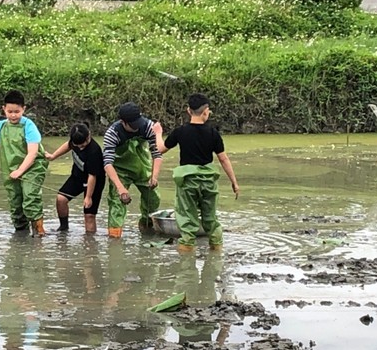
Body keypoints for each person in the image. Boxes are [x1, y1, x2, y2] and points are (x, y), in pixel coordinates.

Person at [152, 93, 239, 251]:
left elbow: (160, 149)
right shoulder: (213, 133)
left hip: (187, 182)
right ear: (206, 112)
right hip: (208, 183)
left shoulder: (180, 132)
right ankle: (216, 253)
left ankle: (187, 267)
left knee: (186, 220)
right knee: (211, 219)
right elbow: (224, 159)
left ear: (188, 111)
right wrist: (234, 182)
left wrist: (157, 132)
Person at [0, 90, 48, 236]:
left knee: (30, 198)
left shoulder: (29, 126)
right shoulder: (1, 126)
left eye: (17, 111)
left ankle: (39, 234)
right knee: (15, 204)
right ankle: (21, 237)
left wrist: (20, 171)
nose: (13, 115)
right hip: (10, 169)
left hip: (32, 168)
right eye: (10, 111)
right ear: (4, 109)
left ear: (24, 109)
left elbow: (33, 153)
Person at [103, 102, 162, 238]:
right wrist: (120, 188)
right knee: (117, 203)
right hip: (120, 171)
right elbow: (107, 164)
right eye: (133, 125)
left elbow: (157, 153)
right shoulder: (112, 134)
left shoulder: (147, 126)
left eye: (138, 124)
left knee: (153, 199)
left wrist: (154, 176)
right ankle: (114, 237)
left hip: (143, 167)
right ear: (123, 122)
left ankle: (146, 227)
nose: (137, 128)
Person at [45, 123, 106, 233]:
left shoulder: (94, 151)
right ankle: (63, 228)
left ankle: (90, 242)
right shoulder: (75, 141)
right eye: (77, 145)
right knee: (61, 199)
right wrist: (53, 156)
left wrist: (88, 197)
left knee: (89, 215)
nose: (80, 148)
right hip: (77, 177)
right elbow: (68, 145)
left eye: (82, 145)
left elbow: (92, 176)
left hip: (94, 182)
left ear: (89, 136)